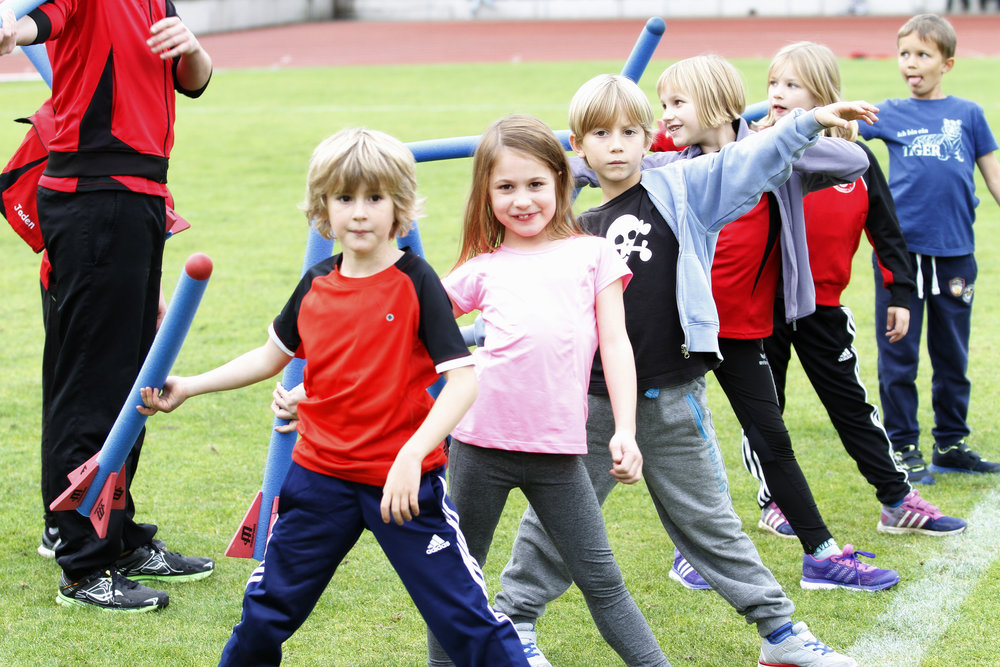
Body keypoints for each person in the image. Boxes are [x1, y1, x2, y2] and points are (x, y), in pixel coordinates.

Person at [493, 74, 877, 667]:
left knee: (712, 525)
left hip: (674, 396)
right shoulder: (568, 224)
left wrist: (806, 122)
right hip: (591, 404)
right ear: (578, 145)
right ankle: (513, 625)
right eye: (600, 134)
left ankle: (780, 637)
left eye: (629, 131)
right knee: (556, 522)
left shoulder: (685, 189)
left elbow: (749, 160)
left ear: (650, 138)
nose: (616, 145)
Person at [138, 127, 528, 666]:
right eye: (345, 198)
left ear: (401, 206)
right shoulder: (316, 284)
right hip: (319, 480)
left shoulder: (418, 284)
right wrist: (190, 386)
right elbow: (271, 356)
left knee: (466, 620)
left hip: (403, 487)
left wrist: (412, 455)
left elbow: (465, 381)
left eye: (375, 198)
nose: (360, 213)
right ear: (324, 207)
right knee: (264, 615)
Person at [425, 113, 671, 667]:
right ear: (486, 195)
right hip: (477, 448)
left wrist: (627, 431)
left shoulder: (594, 255)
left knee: (603, 583)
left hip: (559, 455)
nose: (522, 199)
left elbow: (617, 345)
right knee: (458, 583)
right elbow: (406, 328)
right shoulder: (480, 269)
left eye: (535, 184)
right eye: (505, 187)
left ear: (562, 182)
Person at [651, 55, 900, 594]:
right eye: (663, 104)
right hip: (683, 328)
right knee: (679, 444)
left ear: (716, 104)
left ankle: (822, 557)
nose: (665, 116)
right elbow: (600, 165)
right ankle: (688, 554)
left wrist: (780, 135)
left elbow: (852, 159)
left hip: (742, 327)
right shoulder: (671, 164)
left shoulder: (770, 151)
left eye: (676, 103)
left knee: (773, 439)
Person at [1, 1, 215, 611]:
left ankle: (115, 539)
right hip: (95, 194)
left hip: (141, 192)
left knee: (130, 380)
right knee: (92, 385)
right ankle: (81, 560)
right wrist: (14, 30)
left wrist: (192, 43)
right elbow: (43, 16)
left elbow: (191, 80)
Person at [746, 42, 966, 538]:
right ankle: (773, 501)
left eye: (791, 85)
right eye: (773, 84)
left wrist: (902, 295)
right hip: (765, 306)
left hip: (822, 307)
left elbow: (888, 233)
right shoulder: (755, 151)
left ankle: (895, 500)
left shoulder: (855, 159)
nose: (777, 94)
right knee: (766, 408)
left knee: (853, 408)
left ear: (823, 94)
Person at [857, 13, 1000, 482]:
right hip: (902, 257)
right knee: (899, 354)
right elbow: (841, 134)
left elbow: (993, 174)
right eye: (904, 54)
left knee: (952, 353)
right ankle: (902, 446)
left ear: (948, 63)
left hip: (956, 254)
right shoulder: (890, 113)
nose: (911, 63)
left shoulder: (969, 114)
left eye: (923, 55)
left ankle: (951, 443)